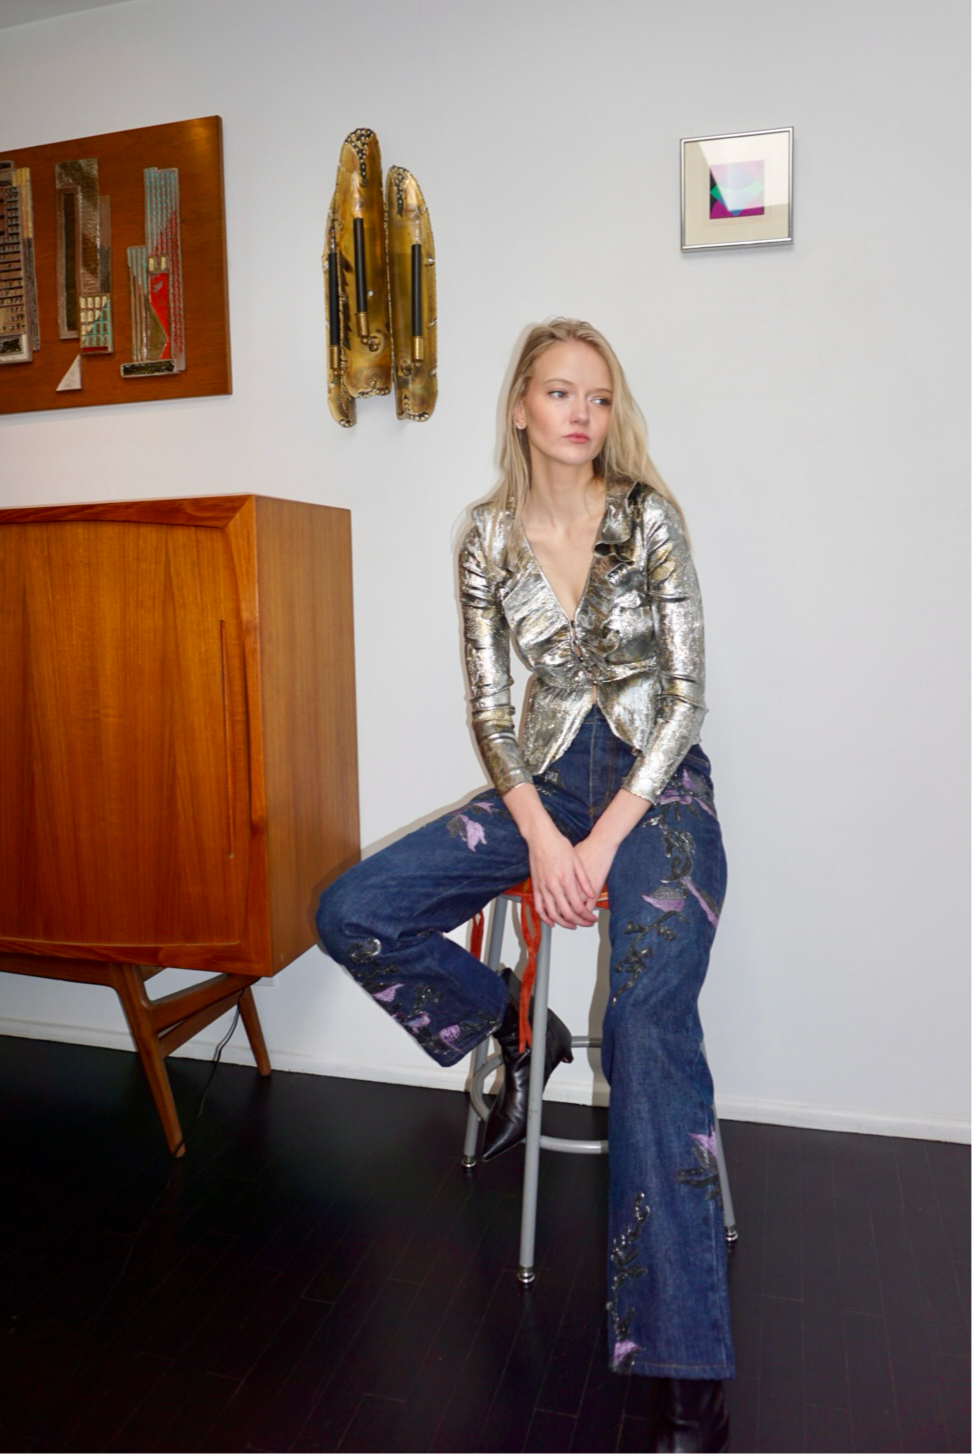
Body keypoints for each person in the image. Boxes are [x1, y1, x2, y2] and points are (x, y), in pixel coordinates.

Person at [317, 318, 733, 1453]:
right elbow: (492, 712)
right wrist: (547, 838)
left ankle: (688, 1367)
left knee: (647, 1026)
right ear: (520, 407)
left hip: (658, 792)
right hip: (542, 789)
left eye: (597, 394)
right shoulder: (486, 539)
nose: (581, 412)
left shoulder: (649, 518)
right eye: (559, 391)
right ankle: (514, 1027)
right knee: (352, 912)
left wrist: (601, 845)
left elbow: (686, 697)